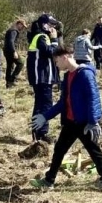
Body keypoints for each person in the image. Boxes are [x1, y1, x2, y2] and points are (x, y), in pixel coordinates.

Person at [29, 47, 102, 194]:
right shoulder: (68, 76)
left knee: (94, 151)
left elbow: (93, 98)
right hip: (70, 122)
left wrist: (93, 122)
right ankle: (49, 181)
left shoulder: (85, 74)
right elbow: (63, 102)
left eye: (56, 61)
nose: (56, 65)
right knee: (59, 150)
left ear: (65, 57)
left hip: (85, 123)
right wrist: (45, 116)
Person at [27, 14, 61, 142]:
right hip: (42, 77)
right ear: (44, 25)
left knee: (40, 104)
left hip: (42, 77)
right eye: (51, 24)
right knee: (45, 105)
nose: (53, 27)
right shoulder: (41, 37)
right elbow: (51, 52)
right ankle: (41, 133)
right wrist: (54, 40)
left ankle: (38, 133)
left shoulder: (40, 36)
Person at [3, 20, 27, 88]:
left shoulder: (10, 30)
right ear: (19, 24)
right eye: (22, 26)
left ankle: (8, 83)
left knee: (10, 66)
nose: (23, 28)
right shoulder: (14, 31)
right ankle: (12, 79)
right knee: (20, 63)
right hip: (10, 51)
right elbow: (11, 41)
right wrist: (14, 51)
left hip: (6, 50)